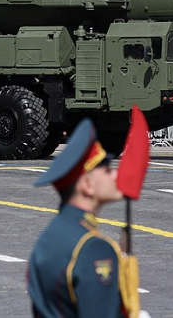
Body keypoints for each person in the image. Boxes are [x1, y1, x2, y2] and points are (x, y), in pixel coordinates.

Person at [28, 119, 126, 318]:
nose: (115, 175)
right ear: (87, 186)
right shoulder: (94, 249)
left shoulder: (50, 237)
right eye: (107, 171)